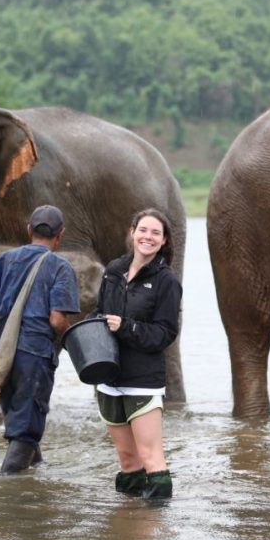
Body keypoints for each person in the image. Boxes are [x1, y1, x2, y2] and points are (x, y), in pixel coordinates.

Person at [0, 205, 80, 474]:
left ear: (29, 230)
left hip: (1, 357)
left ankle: (36, 474)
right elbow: (56, 320)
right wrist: (76, 338)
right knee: (26, 432)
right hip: (35, 357)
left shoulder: (5, 259)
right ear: (60, 235)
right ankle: (8, 500)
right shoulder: (60, 268)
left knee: (20, 421)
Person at [90, 208, 182, 500]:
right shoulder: (114, 269)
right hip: (109, 378)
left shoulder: (167, 281)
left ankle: (155, 530)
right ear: (132, 233)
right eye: (143, 230)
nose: (148, 237)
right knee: (128, 462)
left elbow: (165, 334)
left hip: (143, 381)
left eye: (156, 233)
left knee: (152, 458)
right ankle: (128, 526)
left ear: (164, 240)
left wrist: (125, 326)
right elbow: (99, 312)